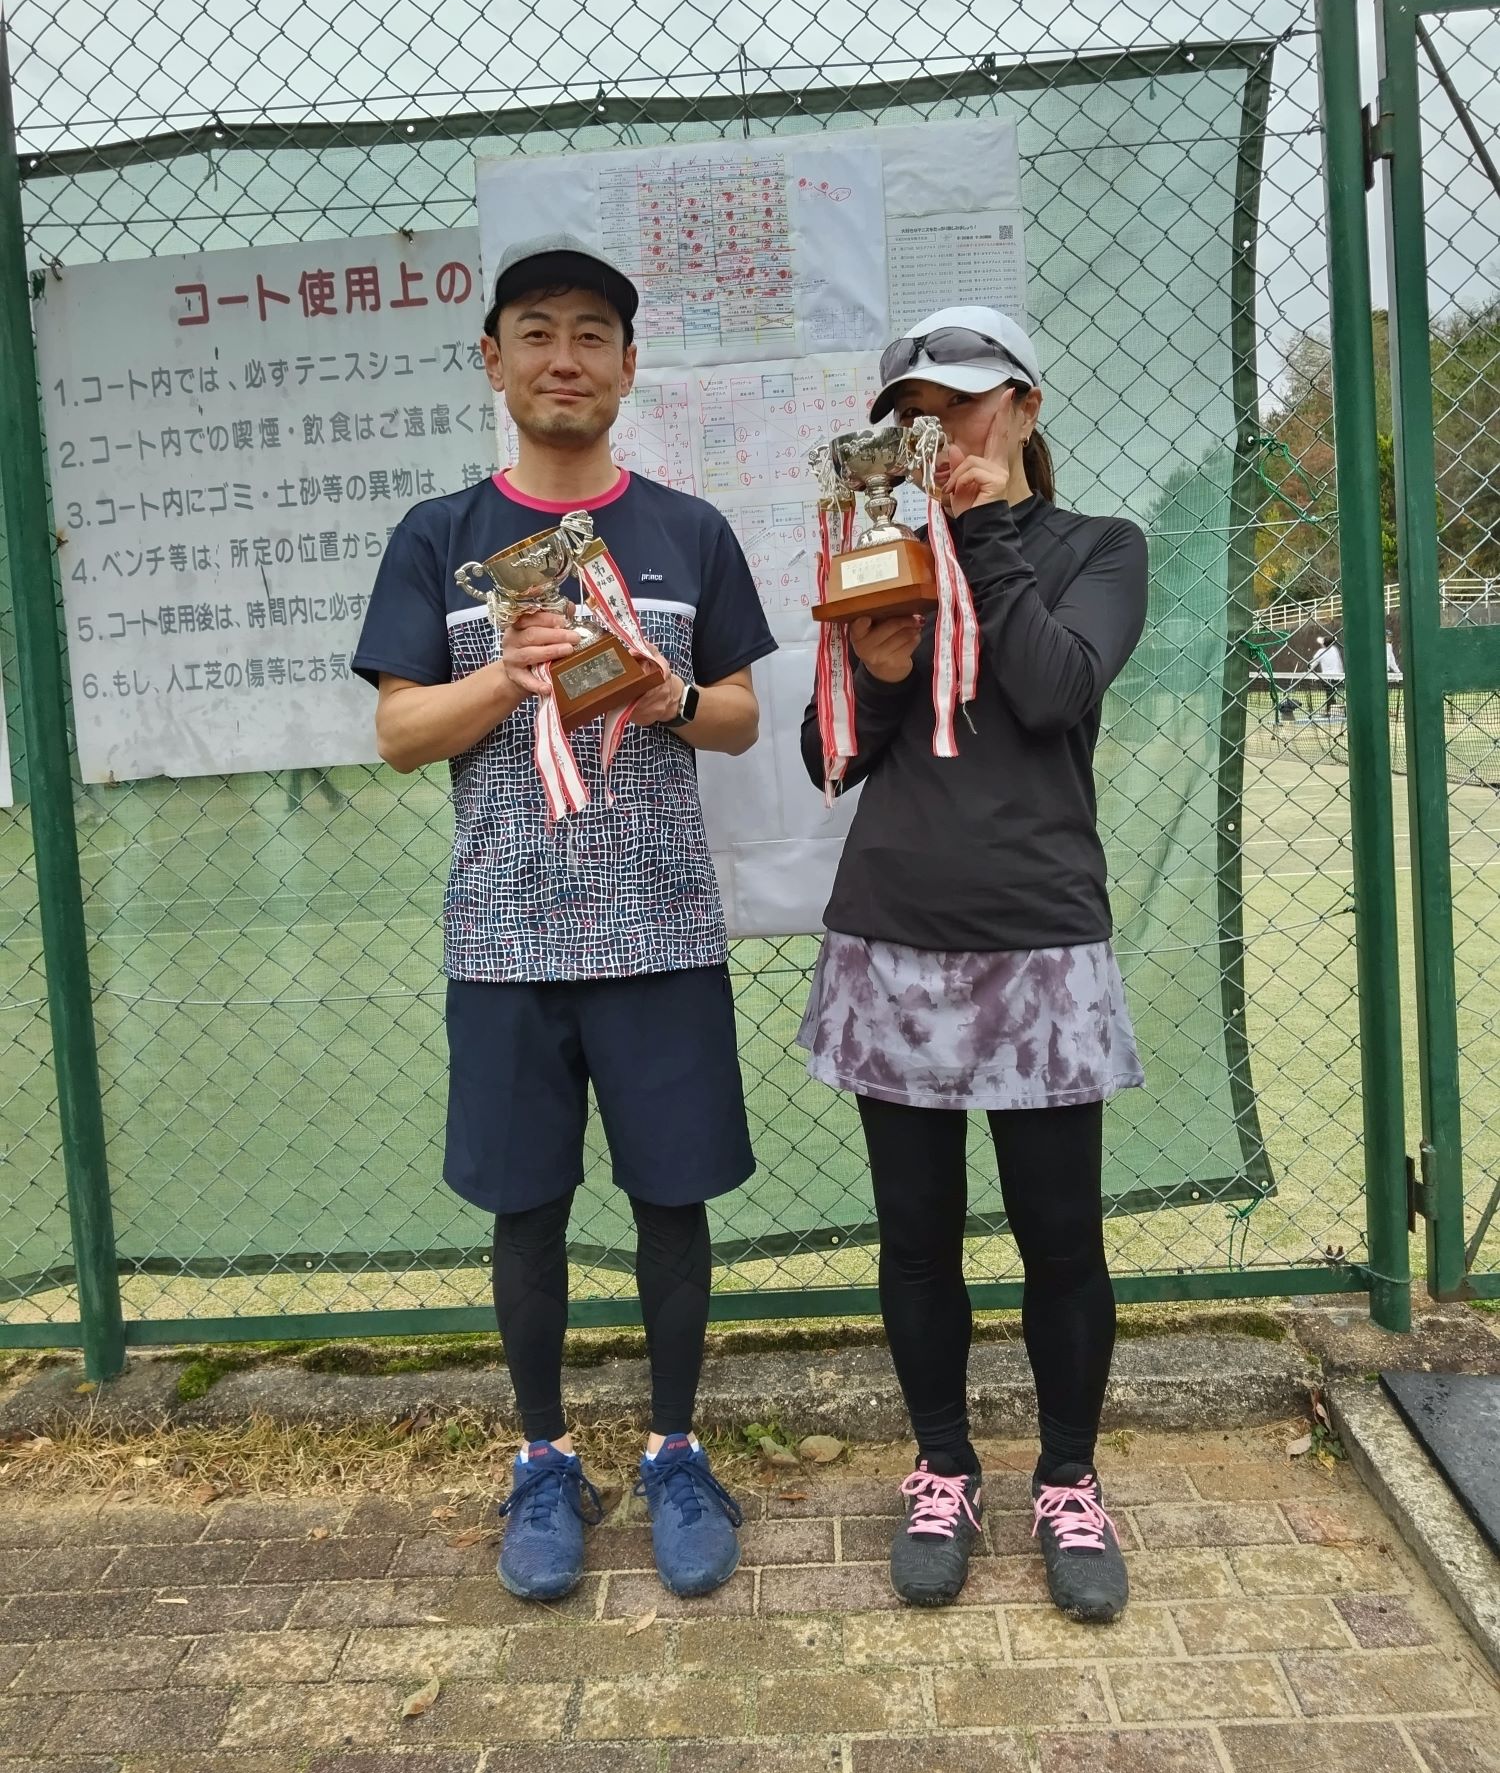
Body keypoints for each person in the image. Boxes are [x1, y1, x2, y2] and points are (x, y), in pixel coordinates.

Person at [353, 235, 776, 1604]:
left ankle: (674, 1451)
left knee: (672, 1201)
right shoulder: (440, 538)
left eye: (593, 333)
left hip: (662, 930)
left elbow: (741, 716)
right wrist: (509, 677)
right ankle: (544, 1461)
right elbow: (399, 733)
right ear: (493, 360)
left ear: (630, 366)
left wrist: (667, 695)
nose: (565, 358)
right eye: (536, 331)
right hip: (505, 935)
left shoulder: (689, 531)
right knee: (526, 1210)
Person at [797, 305, 1148, 1622]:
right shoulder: (882, 552)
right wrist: (883, 672)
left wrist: (986, 531)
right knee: (917, 1235)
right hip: (893, 934)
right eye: (914, 412)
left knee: (1061, 1236)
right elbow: (829, 753)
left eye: (962, 401)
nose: (935, 429)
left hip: (1042, 941)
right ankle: (942, 1467)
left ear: (1027, 406)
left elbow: (1055, 690)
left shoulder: (1097, 548)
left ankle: (1067, 1479)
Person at [1310, 633, 1345, 713]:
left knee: (1330, 695)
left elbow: (1312, 664)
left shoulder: (1321, 652)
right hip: (1337, 677)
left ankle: (1331, 711)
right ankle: (1331, 710)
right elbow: (1340, 664)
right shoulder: (1334, 649)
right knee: (1330, 695)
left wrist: (1308, 670)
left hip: (1328, 679)